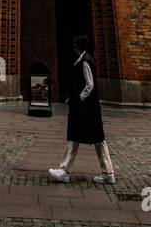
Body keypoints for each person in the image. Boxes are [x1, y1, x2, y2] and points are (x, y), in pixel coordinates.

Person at [48, 34, 116, 185]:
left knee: (87, 137)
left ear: (76, 47)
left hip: (86, 108)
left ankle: (66, 171)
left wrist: (79, 98)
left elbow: (89, 84)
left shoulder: (84, 61)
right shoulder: (84, 59)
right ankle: (108, 173)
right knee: (90, 138)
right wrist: (73, 98)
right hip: (88, 108)